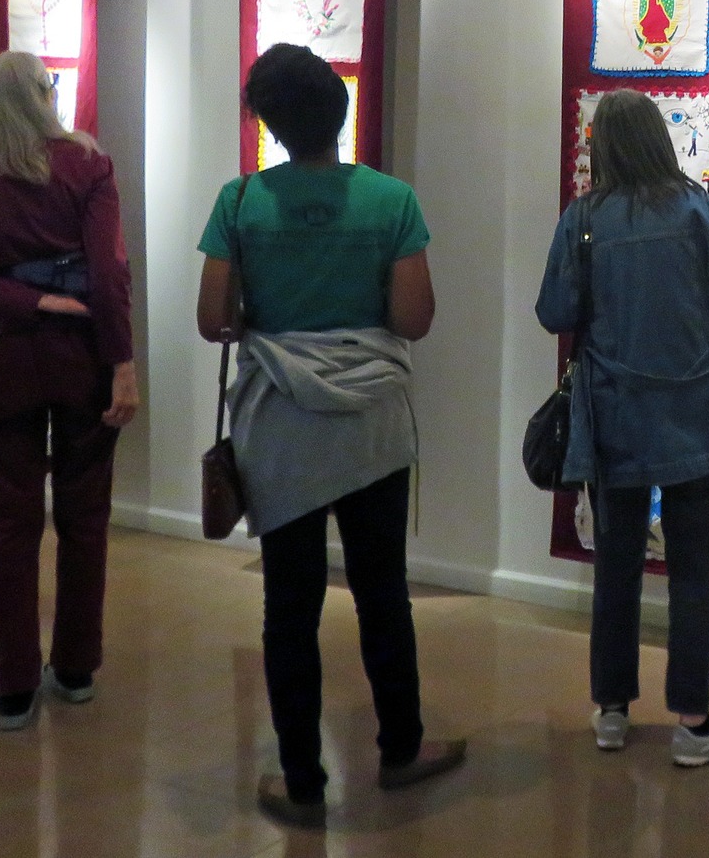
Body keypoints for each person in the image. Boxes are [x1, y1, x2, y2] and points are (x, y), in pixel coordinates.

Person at [195, 43, 461, 829]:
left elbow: (213, 320)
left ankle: (304, 780)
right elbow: (413, 318)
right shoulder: (391, 200)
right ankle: (401, 747)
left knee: (290, 605)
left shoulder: (240, 201)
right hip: (372, 425)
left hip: (282, 426)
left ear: (271, 124)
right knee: (383, 592)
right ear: (338, 112)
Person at [535, 89, 709, 767]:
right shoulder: (697, 211)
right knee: (693, 574)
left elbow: (553, 312)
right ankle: (694, 725)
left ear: (601, 146)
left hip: (616, 422)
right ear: (659, 139)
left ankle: (612, 712)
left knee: (616, 567)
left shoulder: (582, 219)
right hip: (698, 419)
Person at [0, 51, 138, 731]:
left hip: (2, 361)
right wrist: (122, 361)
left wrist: (24, 301)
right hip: (81, 356)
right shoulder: (86, 165)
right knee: (85, 517)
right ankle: (75, 669)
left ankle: (15, 686)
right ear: (45, 95)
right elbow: (108, 274)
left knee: (11, 521)